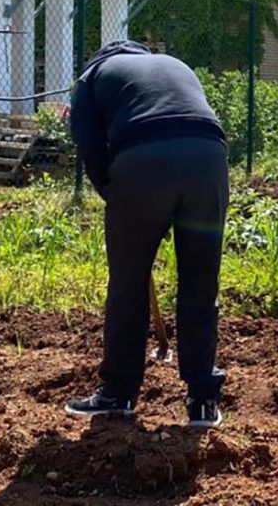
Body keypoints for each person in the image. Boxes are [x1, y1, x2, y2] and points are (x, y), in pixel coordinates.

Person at [66, 40, 229, 428]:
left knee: (128, 282)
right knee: (200, 283)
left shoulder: (91, 79)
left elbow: (89, 145)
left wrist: (117, 196)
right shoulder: (175, 62)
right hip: (208, 159)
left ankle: (117, 393)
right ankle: (202, 400)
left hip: (143, 161)